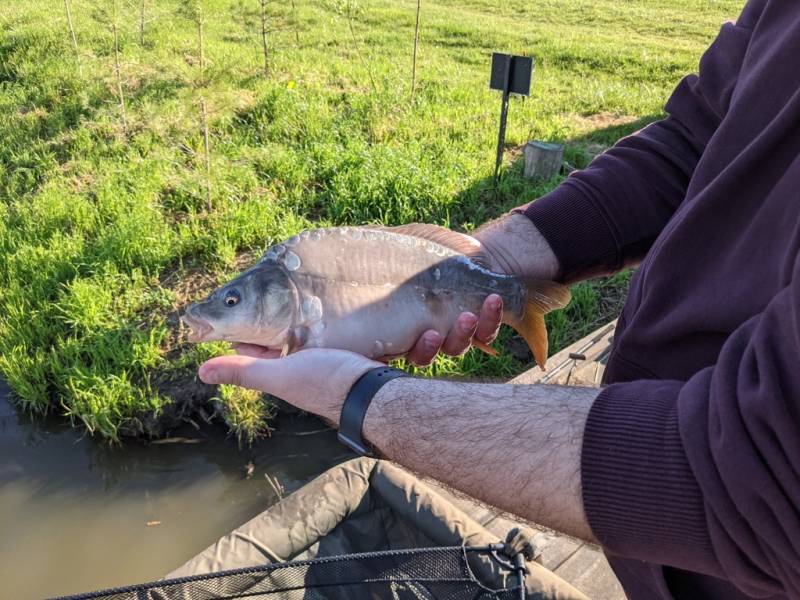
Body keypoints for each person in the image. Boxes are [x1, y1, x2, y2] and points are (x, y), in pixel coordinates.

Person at [197, 1, 800, 597]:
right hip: (648, 556)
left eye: (229, 303)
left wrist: (361, 398)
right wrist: (491, 262)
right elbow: (698, 141)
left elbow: (759, 467)